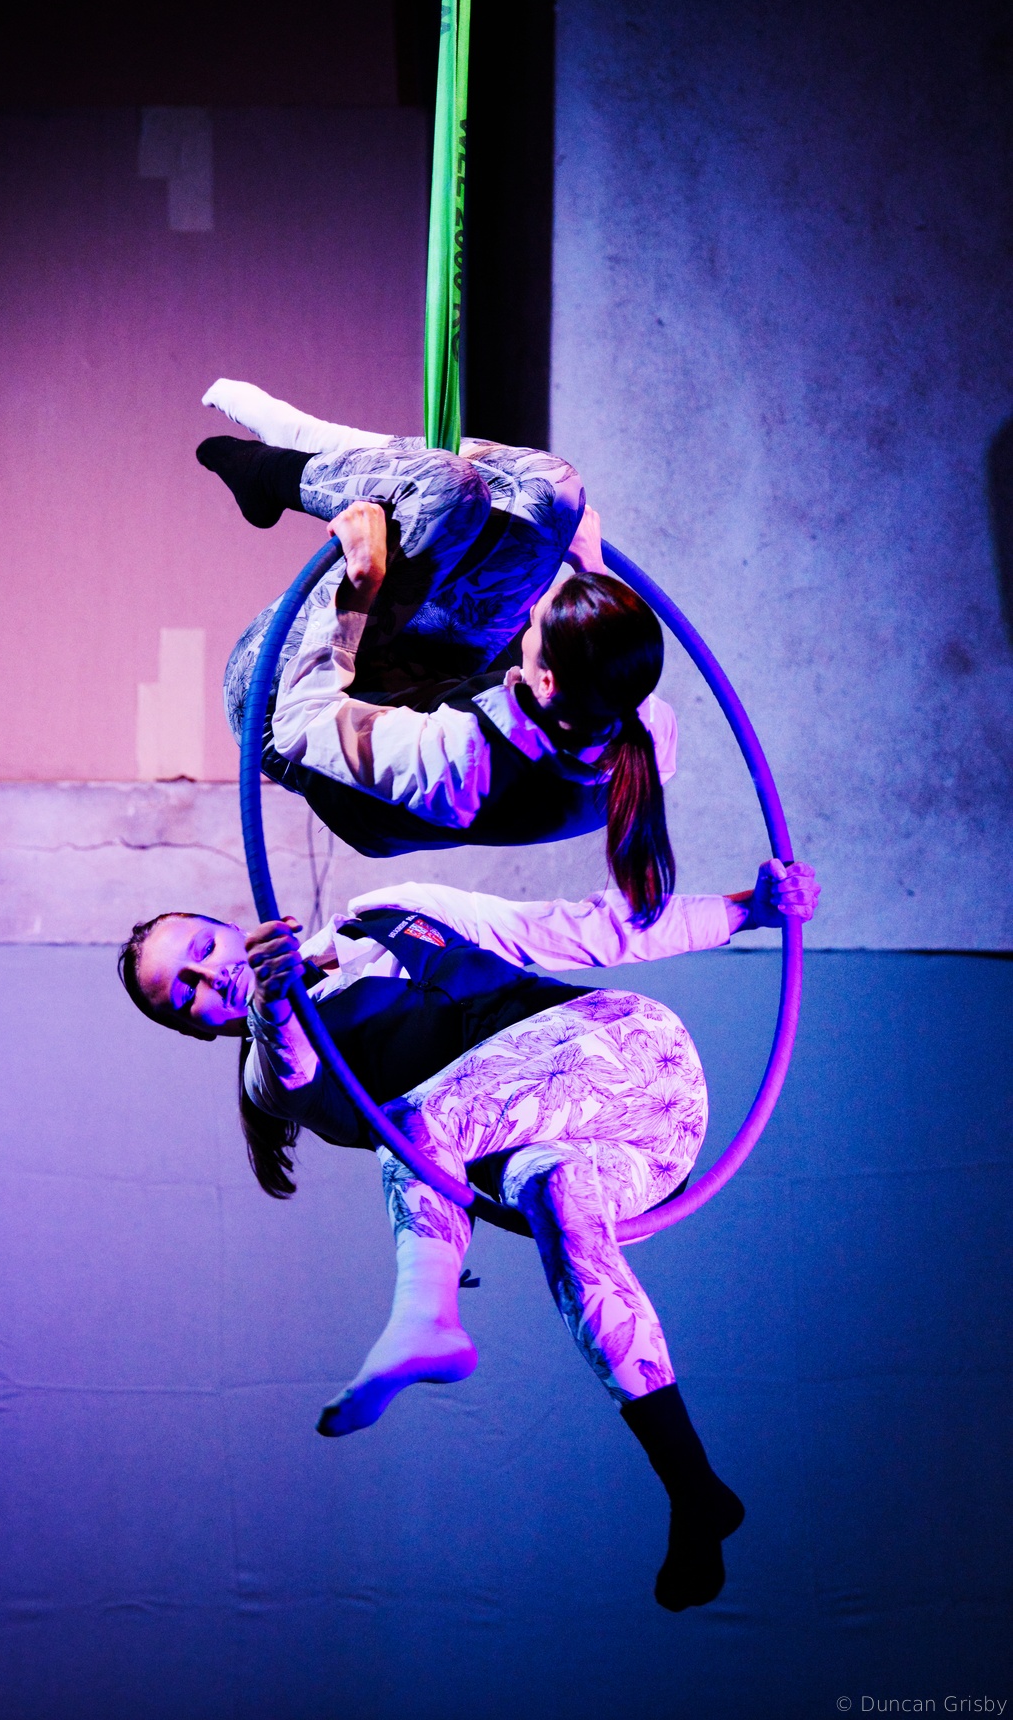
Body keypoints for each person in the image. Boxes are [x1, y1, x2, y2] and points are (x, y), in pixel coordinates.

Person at [119, 858, 821, 1611]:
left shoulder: (384, 913)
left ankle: (423, 1317)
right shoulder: (268, 1072)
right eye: (185, 996)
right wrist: (271, 1002)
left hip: (629, 1059)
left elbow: (577, 928)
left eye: (203, 951)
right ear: (196, 1031)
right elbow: (289, 1065)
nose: (208, 978)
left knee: (414, 1125)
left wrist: (749, 909)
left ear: (232, 927)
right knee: (555, 1203)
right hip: (631, 1164)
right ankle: (693, 1488)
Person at [199, 379, 678, 922]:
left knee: (441, 490)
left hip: (289, 706)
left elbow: (299, 722)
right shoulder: (643, 732)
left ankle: (274, 469)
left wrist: (361, 583)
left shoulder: (460, 763)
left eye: (537, 620)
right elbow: (614, 657)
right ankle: (326, 449)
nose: (531, 612)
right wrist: (590, 566)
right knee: (555, 490)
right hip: (423, 678)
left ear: (546, 682)